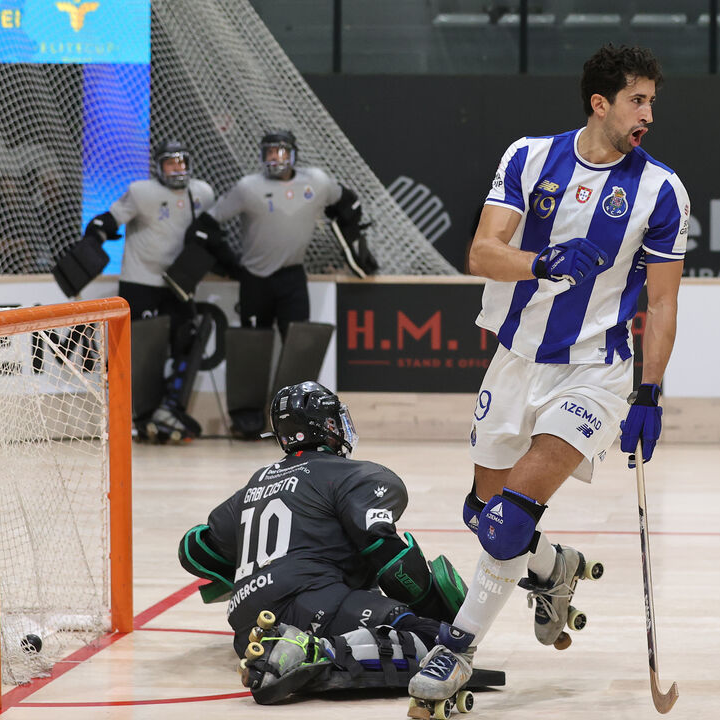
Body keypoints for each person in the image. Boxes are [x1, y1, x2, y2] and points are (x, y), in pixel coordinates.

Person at [407, 44, 689, 708]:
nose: (648, 112)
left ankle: (455, 651)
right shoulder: (528, 156)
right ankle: (550, 569)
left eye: (652, 100)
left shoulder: (659, 189)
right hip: (515, 359)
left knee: (508, 519)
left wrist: (648, 390)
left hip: (595, 371)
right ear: (600, 103)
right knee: (482, 513)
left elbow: (664, 300)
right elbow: (482, 251)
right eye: (636, 100)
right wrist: (541, 263)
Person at [177, 381, 479, 705]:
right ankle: (315, 652)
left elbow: (194, 548)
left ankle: (289, 648)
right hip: (311, 604)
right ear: (330, 425)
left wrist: (247, 576)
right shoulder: (353, 474)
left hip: (246, 627)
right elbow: (390, 559)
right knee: (434, 640)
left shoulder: (254, 483)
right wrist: (434, 609)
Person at [79, 139, 230, 441]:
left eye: (182, 161)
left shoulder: (202, 192)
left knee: (186, 344)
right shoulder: (141, 192)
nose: (178, 168)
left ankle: (168, 409)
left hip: (179, 284)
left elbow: (212, 234)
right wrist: (95, 233)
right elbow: (109, 219)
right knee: (139, 353)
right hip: (141, 282)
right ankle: (132, 414)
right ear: (158, 166)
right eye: (170, 162)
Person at [200, 130, 375, 338]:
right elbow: (207, 223)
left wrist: (350, 237)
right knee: (253, 348)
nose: (275, 158)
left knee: (298, 345)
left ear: (293, 155)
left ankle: (299, 373)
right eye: (270, 152)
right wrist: (226, 262)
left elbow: (350, 203)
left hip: (292, 276)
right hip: (255, 279)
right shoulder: (247, 187)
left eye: (281, 152)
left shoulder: (317, 181)